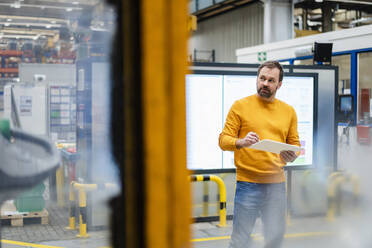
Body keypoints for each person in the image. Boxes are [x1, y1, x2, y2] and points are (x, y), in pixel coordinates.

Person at [219, 60, 300, 248]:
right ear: (257, 79)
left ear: (279, 85)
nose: (265, 83)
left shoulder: (289, 111)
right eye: (262, 78)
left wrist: (292, 155)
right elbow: (223, 140)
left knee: (275, 240)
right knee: (240, 240)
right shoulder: (240, 106)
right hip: (248, 185)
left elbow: (294, 144)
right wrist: (241, 142)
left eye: (271, 80)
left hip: (276, 186)